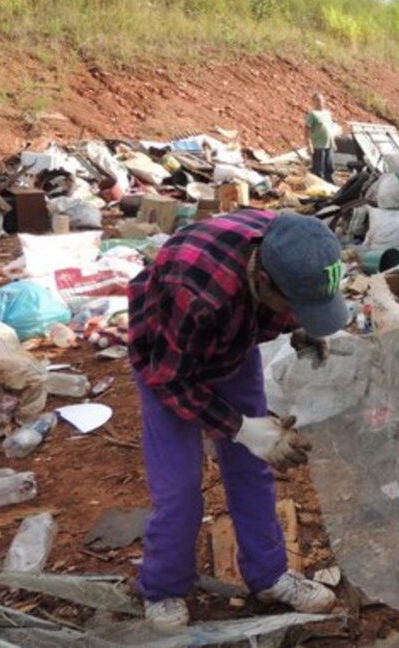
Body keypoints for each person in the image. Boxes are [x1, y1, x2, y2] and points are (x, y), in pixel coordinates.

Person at [128, 210, 349, 630]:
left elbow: (290, 301)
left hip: (234, 342)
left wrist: (305, 328)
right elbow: (172, 382)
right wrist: (243, 428)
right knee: (178, 487)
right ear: (262, 283)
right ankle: (163, 587)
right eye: (294, 307)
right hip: (167, 359)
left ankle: (268, 575)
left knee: (253, 466)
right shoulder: (195, 291)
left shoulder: (292, 244)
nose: (298, 313)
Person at [305, 93, 339, 183]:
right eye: (317, 100)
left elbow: (330, 129)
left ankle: (331, 185)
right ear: (314, 102)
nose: (320, 102)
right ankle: (318, 185)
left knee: (330, 167)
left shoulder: (327, 113)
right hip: (318, 145)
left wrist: (333, 143)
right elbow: (307, 129)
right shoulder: (312, 114)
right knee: (318, 169)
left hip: (329, 145)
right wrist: (309, 144)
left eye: (321, 100)